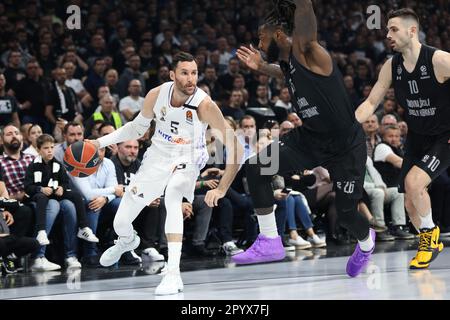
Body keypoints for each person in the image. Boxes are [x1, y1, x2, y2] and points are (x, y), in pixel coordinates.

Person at [235, 0, 374, 277]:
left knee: (347, 214)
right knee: (257, 166)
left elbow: (305, 9)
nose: (259, 45)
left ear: (278, 35)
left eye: (261, 39)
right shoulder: (287, 64)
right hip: (310, 139)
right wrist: (261, 67)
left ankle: (367, 242)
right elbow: (281, 72)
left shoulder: (308, 51)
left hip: (346, 146)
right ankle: (270, 241)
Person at [87, 52, 243, 295]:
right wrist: (99, 142)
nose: (191, 79)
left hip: (189, 156)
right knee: (121, 221)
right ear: (172, 75)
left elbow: (236, 147)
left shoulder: (205, 105)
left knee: (172, 196)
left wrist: (222, 187)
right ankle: (127, 241)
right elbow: (137, 127)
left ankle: (172, 273)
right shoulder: (156, 94)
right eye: (185, 73)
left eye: (194, 73)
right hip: (158, 155)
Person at [355, 8, 450, 269]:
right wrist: (349, 125)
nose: (387, 35)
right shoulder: (391, 66)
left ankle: (430, 236)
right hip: (417, 137)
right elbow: (372, 101)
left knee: (414, 181)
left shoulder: (438, 60)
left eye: (393, 29)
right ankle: (429, 238)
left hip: (444, 137)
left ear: (412, 31)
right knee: (409, 199)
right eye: (386, 30)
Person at [24, 134, 98, 246]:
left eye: (52, 147)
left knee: (77, 195)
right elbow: (28, 187)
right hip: (39, 195)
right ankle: (41, 231)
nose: (49, 151)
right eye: (45, 148)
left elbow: (65, 182)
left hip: (54, 193)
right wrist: (41, 189)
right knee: (41, 197)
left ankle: (83, 227)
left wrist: (62, 188)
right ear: (38, 150)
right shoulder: (33, 166)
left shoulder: (57, 164)